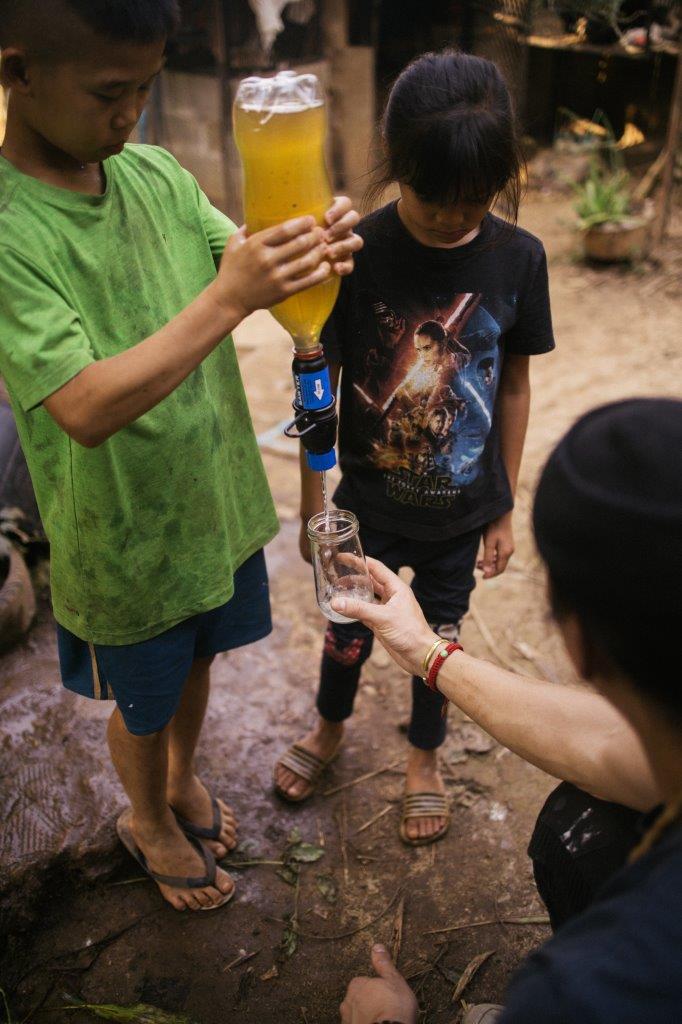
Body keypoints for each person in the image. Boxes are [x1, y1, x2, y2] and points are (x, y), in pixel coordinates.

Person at [0, 0, 361, 912]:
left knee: (201, 665)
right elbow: (82, 406)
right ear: (18, 71)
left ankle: (182, 780)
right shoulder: (11, 233)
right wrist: (231, 298)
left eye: (146, 88)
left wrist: (306, 255)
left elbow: (241, 260)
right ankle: (148, 818)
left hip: (211, 500)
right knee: (145, 701)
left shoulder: (155, 172)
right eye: (108, 92)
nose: (130, 115)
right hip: (124, 534)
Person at [274, 50, 555, 847]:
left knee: (438, 642)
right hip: (365, 505)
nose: (452, 218)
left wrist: (502, 505)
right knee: (347, 631)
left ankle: (424, 758)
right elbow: (317, 387)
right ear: (396, 165)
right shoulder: (357, 253)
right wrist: (311, 505)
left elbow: (514, 388)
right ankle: (329, 728)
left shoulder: (518, 259)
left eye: (476, 200)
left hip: (460, 514)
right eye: (434, 197)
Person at [336, 398, 682, 1023]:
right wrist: (427, 651)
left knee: (577, 831)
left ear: (576, 641)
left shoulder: (592, 988)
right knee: (583, 811)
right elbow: (610, 748)